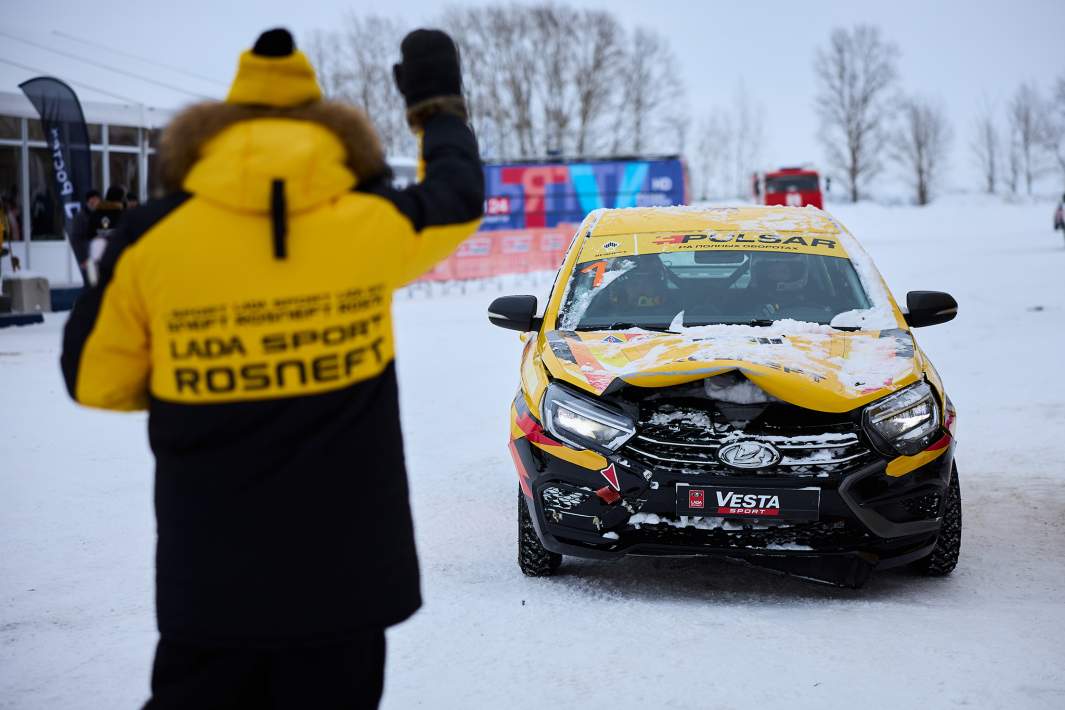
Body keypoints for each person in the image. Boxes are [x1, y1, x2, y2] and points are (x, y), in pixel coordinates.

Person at [60, 26, 482, 709]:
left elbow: (93, 380)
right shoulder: (367, 221)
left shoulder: (153, 240)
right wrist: (436, 107)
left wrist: (207, 361)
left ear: (218, 132)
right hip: (348, 586)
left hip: (213, 588)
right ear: (324, 130)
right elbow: (458, 198)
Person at [70, 189, 102, 286]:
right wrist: (82, 259)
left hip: (102, 258)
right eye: (92, 199)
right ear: (88, 201)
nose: (94, 202)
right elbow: (76, 239)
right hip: (88, 259)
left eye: (96, 199)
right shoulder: (81, 217)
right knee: (91, 285)